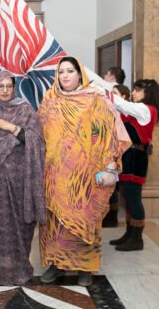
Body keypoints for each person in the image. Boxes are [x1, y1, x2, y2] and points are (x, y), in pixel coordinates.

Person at [38, 56, 130, 287]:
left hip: (85, 175)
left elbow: (107, 134)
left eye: (70, 71)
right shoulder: (50, 100)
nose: (65, 75)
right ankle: (56, 264)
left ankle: (85, 267)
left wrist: (107, 164)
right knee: (56, 222)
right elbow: (40, 135)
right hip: (56, 174)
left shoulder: (94, 99)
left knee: (85, 219)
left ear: (80, 74)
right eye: (61, 72)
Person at [0, 71, 46, 285]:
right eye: (0, 86)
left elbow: (37, 141)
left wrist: (13, 128)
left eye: (8, 86)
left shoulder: (25, 110)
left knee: (19, 226)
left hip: (20, 181)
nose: (4, 90)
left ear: (14, 88)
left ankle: (19, 266)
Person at [109, 79, 159, 251]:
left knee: (134, 198)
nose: (134, 93)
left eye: (137, 90)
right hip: (130, 155)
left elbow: (122, 104)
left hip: (137, 156)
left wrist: (106, 92)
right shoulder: (139, 110)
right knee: (129, 198)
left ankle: (137, 239)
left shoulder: (146, 109)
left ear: (148, 92)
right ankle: (130, 234)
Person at [101, 67, 127, 228]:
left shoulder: (111, 91)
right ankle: (110, 217)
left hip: (113, 145)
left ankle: (110, 218)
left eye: (105, 73)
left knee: (110, 182)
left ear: (110, 75)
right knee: (110, 182)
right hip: (110, 144)